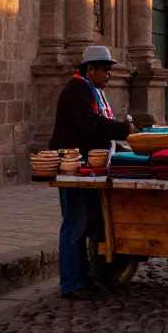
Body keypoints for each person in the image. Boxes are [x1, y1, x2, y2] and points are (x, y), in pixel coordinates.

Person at [50, 46, 137, 300]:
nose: (109, 75)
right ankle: (70, 283)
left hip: (89, 167)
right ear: (91, 69)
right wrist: (124, 129)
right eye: (106, 70)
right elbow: (88, 123)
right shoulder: (77, 89)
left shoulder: (91, 90)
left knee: (85, 224)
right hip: (73, 167)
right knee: (73, 226)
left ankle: (84, 278)